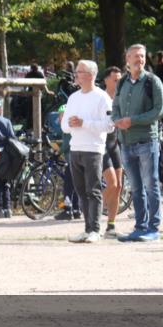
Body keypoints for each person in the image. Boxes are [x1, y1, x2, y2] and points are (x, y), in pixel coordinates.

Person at [113, 44, 163, 242]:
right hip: (126, 142)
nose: (140, 59)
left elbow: (159, 111)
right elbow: (115, 106)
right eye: (135, 56)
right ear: (127, 59)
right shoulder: (122, 83)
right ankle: (140, 227)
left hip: (146, 141)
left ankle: (153, 228)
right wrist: (117, 120)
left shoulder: (153, 81)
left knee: (151, 185)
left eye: (142, 56)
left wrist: (132, 121)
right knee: (135, 188)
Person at [60, 60, 113, 243]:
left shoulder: (102, 97)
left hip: (93, 149)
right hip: (75, 149)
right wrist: (71, 123)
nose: (76, 74)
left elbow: (109, 125)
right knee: (81, 191)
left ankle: (95, 230)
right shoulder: (73, 97)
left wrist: (84, 123)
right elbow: (64, 126)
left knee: (93, 190)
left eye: (79, 71)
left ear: (90, 75)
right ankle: (87, 228)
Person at [101, 66, 125, 237]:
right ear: (106, 80)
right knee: (112, 183)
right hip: (101, 144)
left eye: (120, 80)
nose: (119, 83)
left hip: (114, 144)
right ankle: (93, 209)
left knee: (119, 186)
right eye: (115, 80)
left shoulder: (121, 98)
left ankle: (111, 226)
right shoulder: (100, 98)